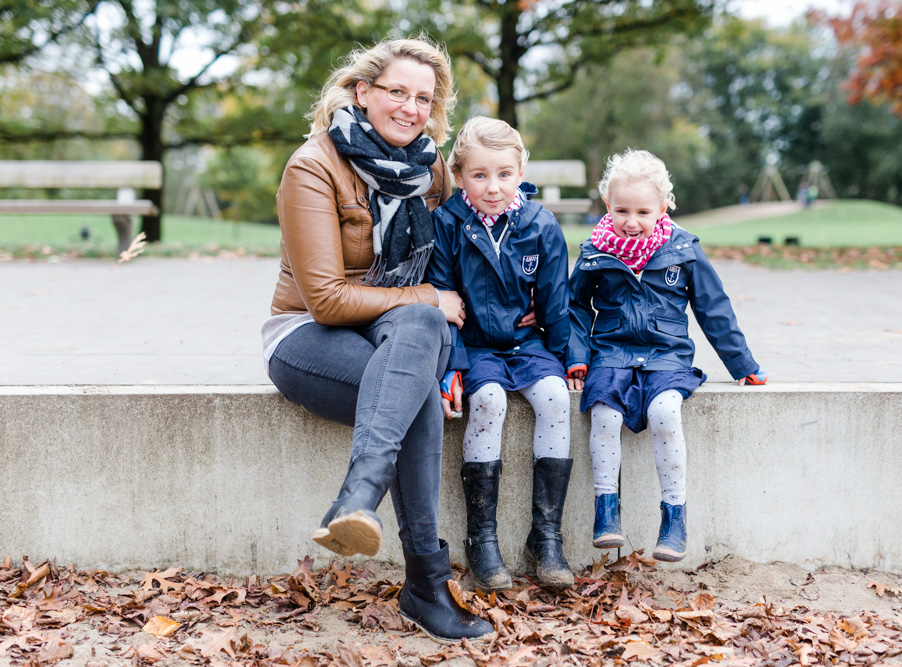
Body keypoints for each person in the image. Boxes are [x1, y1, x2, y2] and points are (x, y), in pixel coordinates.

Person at [260, 37, 492, 642]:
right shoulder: (312, 167)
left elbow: (476, 242)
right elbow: (328, 299)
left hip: (399, 336)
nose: (411, 107)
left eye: (424, 97)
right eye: (397, 92)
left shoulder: (430, 168)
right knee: (416, 353)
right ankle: (426, 584)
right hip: (309, 337)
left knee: (417, 331)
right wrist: (428, 301)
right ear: (363, 94)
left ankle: (357, 500)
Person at [566, 149, 767, 562]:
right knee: (604, 413)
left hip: (667, 356)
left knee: (664, 412)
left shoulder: (684, 250)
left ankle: (674, 515)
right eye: (621, 210)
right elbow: (573, 307)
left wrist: (743, 364)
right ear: (607, 205)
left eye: (643, 211)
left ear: (663, 207)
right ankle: (606, 510)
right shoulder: (595, 252)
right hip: (612, 354)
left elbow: (714, 309)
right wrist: (577, 355)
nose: (632, 222)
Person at [426, 117, 575, 591]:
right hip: (476, 348)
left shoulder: (541, 225)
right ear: (460, 174)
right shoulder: (447, 223)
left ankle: (546, 536)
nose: (493, 187)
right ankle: (481, 539)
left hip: (528, 346)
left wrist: (572, 356)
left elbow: (557, 303)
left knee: (554, 398)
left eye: (504, 174)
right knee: (487, 401)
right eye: (479, 175)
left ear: (520, 171)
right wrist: (450, 365)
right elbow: (444, 301)